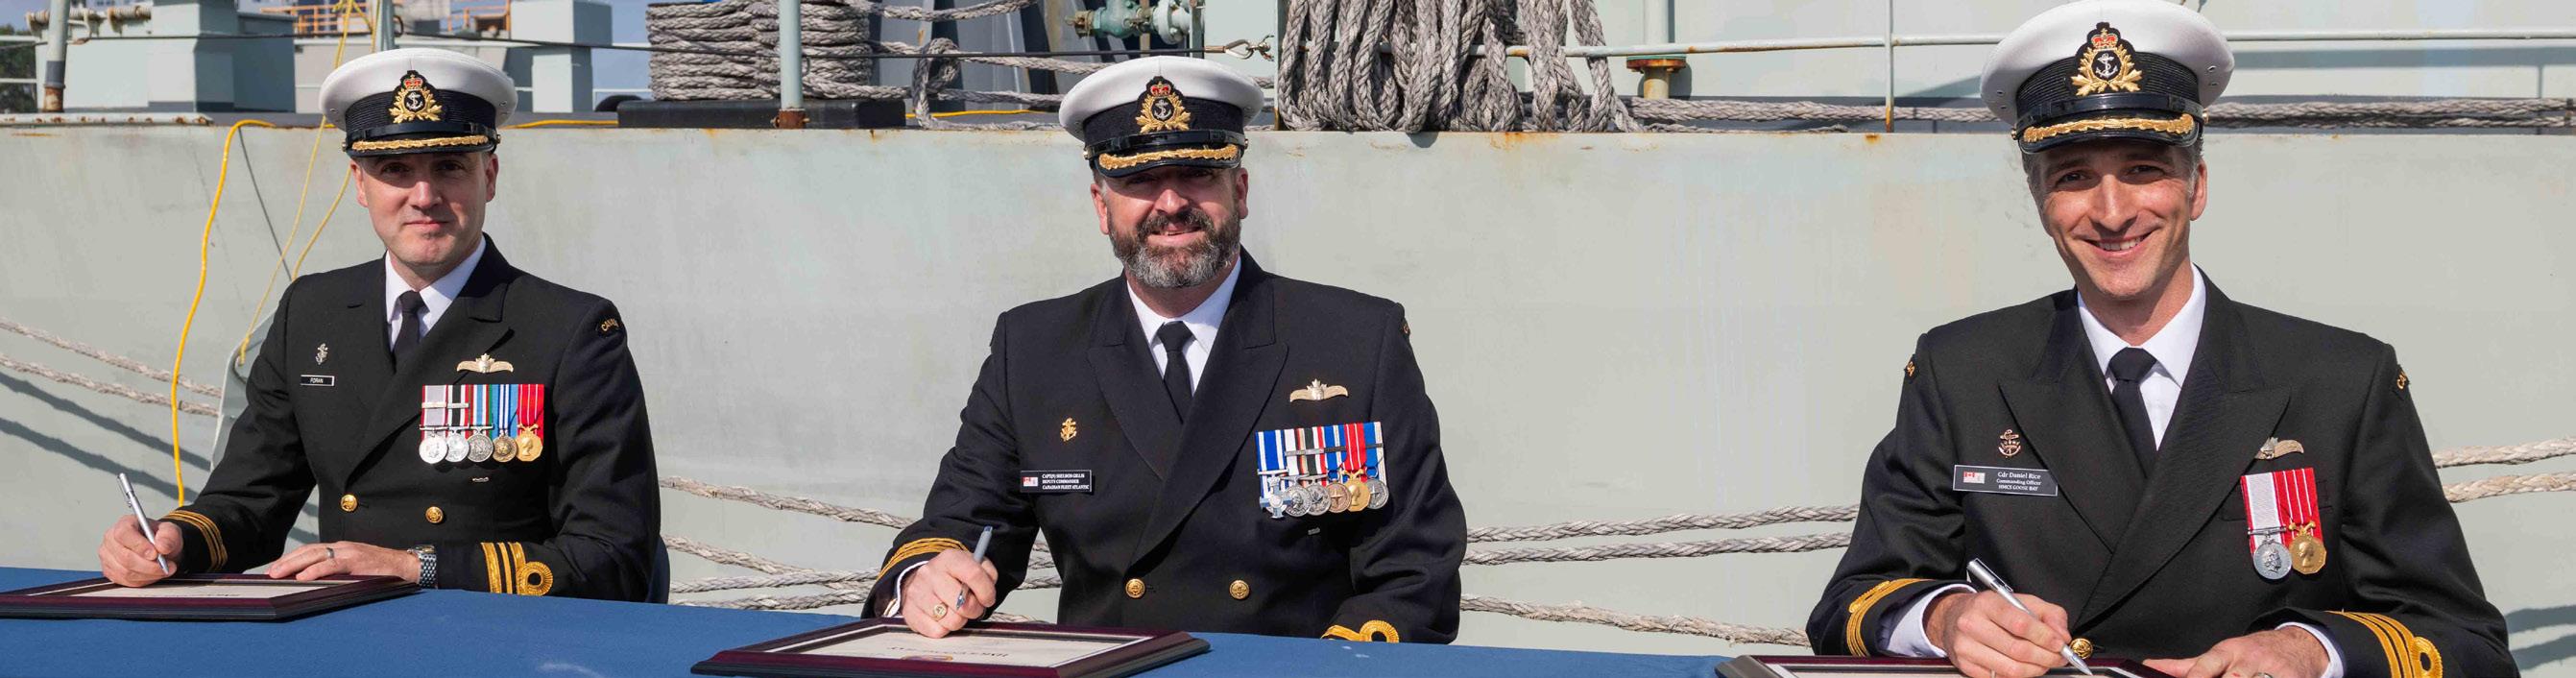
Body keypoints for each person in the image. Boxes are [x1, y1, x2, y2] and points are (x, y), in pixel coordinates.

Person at [1806, 2, 2513, 677]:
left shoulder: (2340, 383)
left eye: (2143, 170)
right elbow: (1851, 604)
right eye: (2074, 178)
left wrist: (2310, 651)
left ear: (2195, 186)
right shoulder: (1962, 373)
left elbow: (2464, 642)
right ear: (2041, 202)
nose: (2112, 213)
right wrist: (1945, 618)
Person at [865, 56, 1466, 643]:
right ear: (1102, 206)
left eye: (1199, 174)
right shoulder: (1033, 350)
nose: (1172, 203)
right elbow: (962, 523)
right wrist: (927, 579)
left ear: (1241, 190)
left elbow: (1415, 569)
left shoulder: (1355, 341)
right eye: (1139, 181)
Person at [95, 48, 662, 601]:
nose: (424, 197)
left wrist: (415, 567)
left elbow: (614, 554)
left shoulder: (569, 330)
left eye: (449, 167)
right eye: (395, 170)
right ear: (360, 184)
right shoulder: (312, 312)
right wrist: (173, 541)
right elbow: (249, 501)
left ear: (489, 176)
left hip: (500, 632)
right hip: (350, 629)